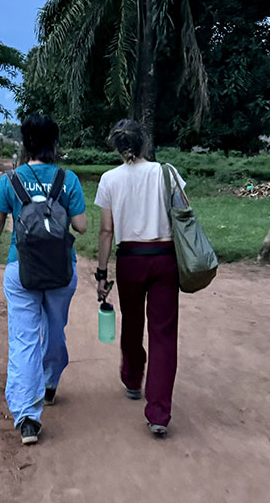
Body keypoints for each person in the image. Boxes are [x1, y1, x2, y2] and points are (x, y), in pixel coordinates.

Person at [0, 114, 88, 445]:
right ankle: (50, 381)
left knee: (24, 340)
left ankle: (27, 417)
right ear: (54, 144)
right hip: (60, 271)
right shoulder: (67, 180)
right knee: (55, 329)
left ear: (25, 143)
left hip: (21, 271)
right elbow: (81, 227)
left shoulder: (10, 181)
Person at [94, 119, 187, 439]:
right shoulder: (167, 173)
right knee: (163, 333)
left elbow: (106, 231)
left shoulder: (108, 180)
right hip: (165, 258)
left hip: (130, 258)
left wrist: (102, 273)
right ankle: (159, 412)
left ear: (117, 147)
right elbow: (183, 215)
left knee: (132, 322)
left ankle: (133, 379)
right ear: (144, 142)